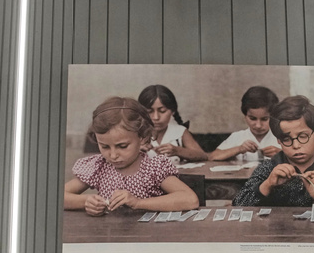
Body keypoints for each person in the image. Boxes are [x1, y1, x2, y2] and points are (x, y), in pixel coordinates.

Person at [63, 96, 199, 216]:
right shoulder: (99, 167)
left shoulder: (153, 168)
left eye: (122, 146)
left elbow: (190, 199)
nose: (113, 155)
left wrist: (138, 203)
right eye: (104, 146)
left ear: (143, 138)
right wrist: (86, 201)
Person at [233, 95, 314, 207]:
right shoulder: (269, 168)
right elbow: (238, 205)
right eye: (286, 139)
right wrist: (268, 185)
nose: (296, 145)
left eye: (303, 136)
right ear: (278, 140)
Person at [209, 85, 281, 162]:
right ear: (245, 116)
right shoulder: (238, 137)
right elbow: (212, 157)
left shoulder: (281, 137)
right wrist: (239, 149)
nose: (258, 125)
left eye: (264, 119)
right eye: (252, 118)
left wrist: (281, 155)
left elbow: (295, 160)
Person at [137, 84, 208, 162]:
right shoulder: (135, 132)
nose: (156, 117)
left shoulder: (179, 131)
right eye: (149, 111)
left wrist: (178, 151)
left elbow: (203, 155)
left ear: (173, 111)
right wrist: (135, 151)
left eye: (162, 111)